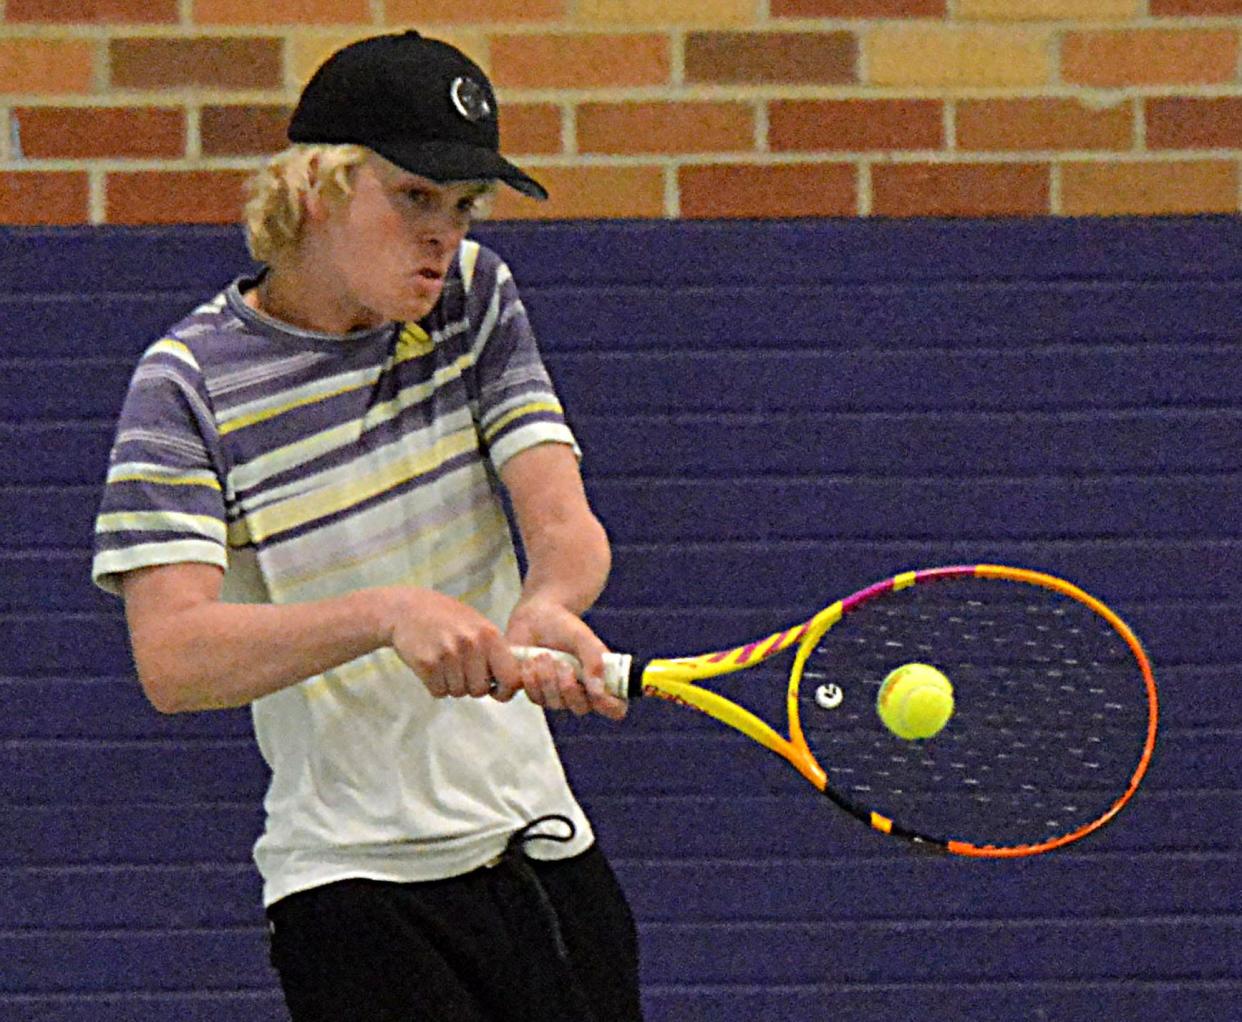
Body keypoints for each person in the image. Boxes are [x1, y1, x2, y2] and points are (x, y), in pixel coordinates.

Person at [91, 30, 643, 1022]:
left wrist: (548, 604)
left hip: (538, 852)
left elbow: (564, 520)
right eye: (415, 197)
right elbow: (173, 656)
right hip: (349, 888)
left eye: (464, 205)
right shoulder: (188, 384)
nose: (445, 233)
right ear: (319, 186)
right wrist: (387, 612)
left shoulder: (475, 300)